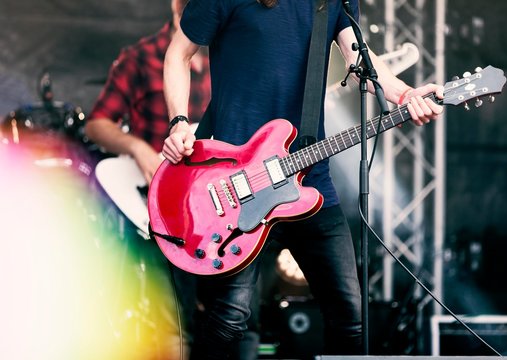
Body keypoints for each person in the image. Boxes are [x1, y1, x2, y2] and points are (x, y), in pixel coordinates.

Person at [162, 0, 444, 358]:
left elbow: (360, 62)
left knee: (353, 319)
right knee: (229, 318)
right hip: (236, 180)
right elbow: (177, 54)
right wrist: (179, 122)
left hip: (308, 179)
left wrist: (405, 94)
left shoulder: (332, 2)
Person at [84, 0, 211, 358]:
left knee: (231, 316)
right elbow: (97, 123)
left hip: (215, 209)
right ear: (176, 6)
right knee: (174, 323)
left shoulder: (227, 60)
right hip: (162, 207)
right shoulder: (141, 57)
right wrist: (138, 148)